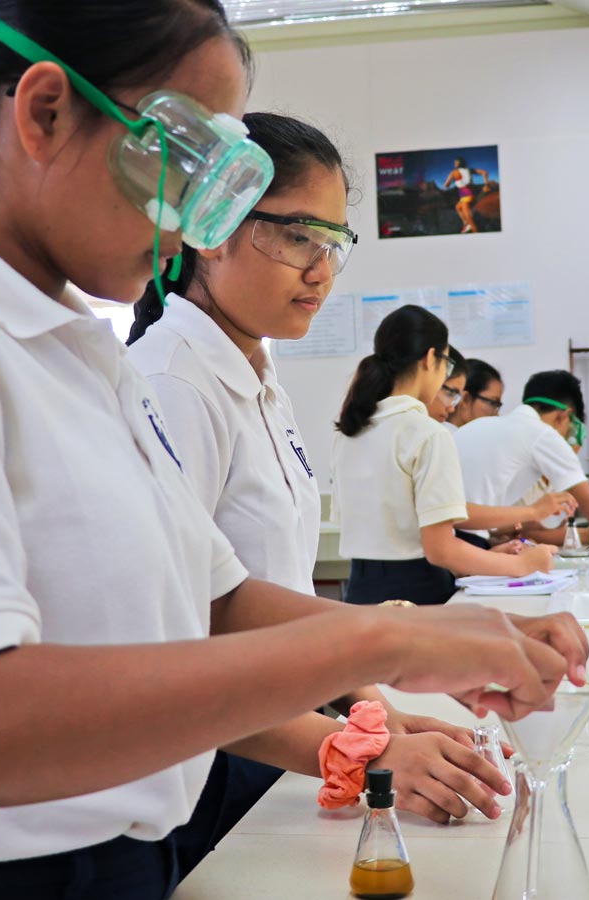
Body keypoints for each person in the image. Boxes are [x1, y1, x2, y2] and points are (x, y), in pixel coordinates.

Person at [0, 6, 587, 897]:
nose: (195, 217)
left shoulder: (79, 356)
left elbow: (215, 601)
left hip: (117, 863)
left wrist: (418, 642)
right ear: (43, 113)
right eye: (184, 164)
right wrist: (377, 640)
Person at [127, 112, 507, 824]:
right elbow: (188, 631)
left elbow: (275, 594)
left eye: (333, 242)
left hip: (280, 731)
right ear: (209, 226)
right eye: (297, 235)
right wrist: (355, 746)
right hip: (212, 755)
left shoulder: (257, 376)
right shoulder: (170, 382)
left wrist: (377, 715)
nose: (321, 269)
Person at [331, 306, 559, 606]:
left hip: (360, 592)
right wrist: (523, 565)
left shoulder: (350, 430)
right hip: (417, 595)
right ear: (430, 359)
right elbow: (441, 550)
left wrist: (487, 558)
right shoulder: (426, 432)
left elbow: (399, 536)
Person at [454, 370, 589, 547]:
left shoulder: (483, 425)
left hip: (443, 535)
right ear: (563, 416)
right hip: (465, 541)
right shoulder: (544, 435)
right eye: (570, 431)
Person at [448, 357, 504, 428]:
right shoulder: (443, 436)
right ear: (465, 398)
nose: (496, 415)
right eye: (492, 403)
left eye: (497, 406)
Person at [442, 156, 492, 234]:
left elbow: (446, 185)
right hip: (470, 192)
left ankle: (475, 231)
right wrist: (486, 184)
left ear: (458, 164)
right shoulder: (469, 170)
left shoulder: (454, 172)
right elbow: (484, 172)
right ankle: (466, 223)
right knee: (458, 207)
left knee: (470, 220)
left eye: (456, 162)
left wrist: (448, 183)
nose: (454, 164)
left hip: (465, 194)